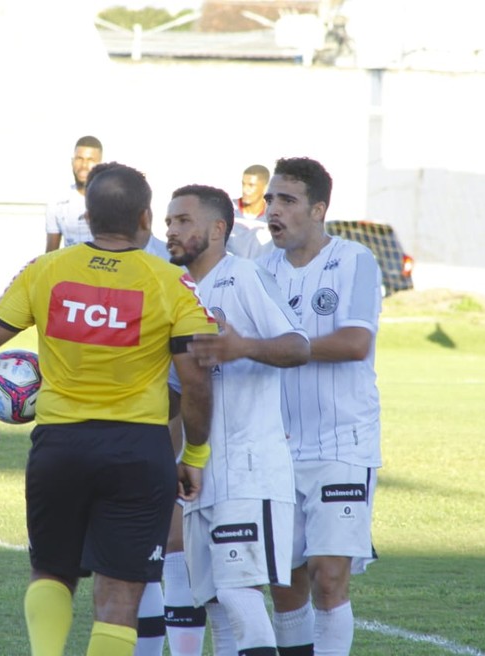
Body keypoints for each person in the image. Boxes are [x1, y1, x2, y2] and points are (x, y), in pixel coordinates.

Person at [0, 162, 217, 656]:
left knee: (52, 571)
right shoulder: (169, 281)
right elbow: (196, 382)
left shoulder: (46, 269)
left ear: (87, 216)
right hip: (138, 451)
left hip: (60, 447)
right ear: (145, 218)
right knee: (120, 595)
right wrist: (195, 457)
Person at [165, 184, 310, 655]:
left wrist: (241, 346)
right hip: (200, 474)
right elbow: (174, 396)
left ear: (217, 229)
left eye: (182, 221)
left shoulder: (242, 276)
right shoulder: (174, 295)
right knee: (216, 606)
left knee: (237, 593)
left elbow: (298, 346)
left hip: (249, 470)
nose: (171, 230)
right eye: (169, 221)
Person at [256, 157, 382, 656]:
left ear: (318, 209)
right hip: (274, 447)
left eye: (286, 200)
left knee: (328, 577)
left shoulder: (354, 261)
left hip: (341, 443)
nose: (273, 210)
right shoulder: (257, 268)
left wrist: (272, 348)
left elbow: (354, 343)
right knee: (285, 583)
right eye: (270, 199)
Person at [44, 135, 103, 252]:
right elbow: (50, 253)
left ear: (100, 164)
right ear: (72, 161)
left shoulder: (110, 200)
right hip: (71, 268)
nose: (84, 166)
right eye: (79, 159)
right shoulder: (58, 202)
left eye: (90, 160)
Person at [227, 164, 273, 259]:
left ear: (265, 187)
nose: (245, 190)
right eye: (243, 184)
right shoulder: (226, 210)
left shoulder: (275, 216)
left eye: (251, 185)